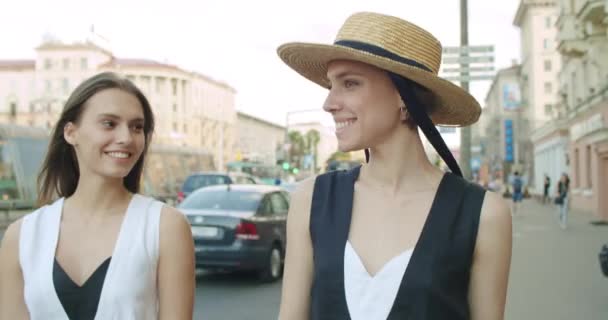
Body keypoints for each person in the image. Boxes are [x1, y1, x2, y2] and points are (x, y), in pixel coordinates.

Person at [276, 12, 512, 320]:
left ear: (403, 97)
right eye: (331, 85)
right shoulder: (312, 200)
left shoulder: (482, 214)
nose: (329, 102)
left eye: (350, 83)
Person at [0, 72, 195, 319]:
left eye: (137, 127)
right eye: (109, 123)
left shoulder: (165, 227)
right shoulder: (22, 236)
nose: (126, 138)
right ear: (71, 133)